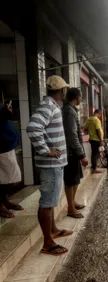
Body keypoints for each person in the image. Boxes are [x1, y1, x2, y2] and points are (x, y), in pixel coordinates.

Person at [27, 75, 72, 256]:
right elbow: (32, 128)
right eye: (64, 90)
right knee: (46, 203)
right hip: (51, 164)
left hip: (54, 163)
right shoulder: (48, 106)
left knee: (51, 200)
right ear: (62, 91)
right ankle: (48, 243)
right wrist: (46, 151)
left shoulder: (52, 106)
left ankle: (53, 229)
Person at [62, 88, 88, 219]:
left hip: (74, 152)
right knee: (71, 181)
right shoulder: (68, 111)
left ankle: (72, 202)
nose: (81, 99)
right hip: (71, 152)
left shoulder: (71, 110)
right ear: (77, 97)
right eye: (81, 96)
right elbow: (72, 135)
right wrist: (81, 154)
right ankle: (70, 208)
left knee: (76, 179)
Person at [0, 102, 24, 218]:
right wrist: (5, 113)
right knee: (11, 179)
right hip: (2, 147)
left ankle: (5, 201)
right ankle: (0, 205)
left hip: (7, 146)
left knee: (6, 178)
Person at [85, 109, 104, 174]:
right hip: (96, 139)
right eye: (100, 114)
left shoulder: (89, 119)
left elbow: (86, 129)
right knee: (95, 154)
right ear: (98, 113)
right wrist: (101, 140)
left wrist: (90, 133)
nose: (100, 116)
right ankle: (94, 168)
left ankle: (94, 165)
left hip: (92, 139)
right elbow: (98, 130)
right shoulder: (96, 120)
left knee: (95, 153)